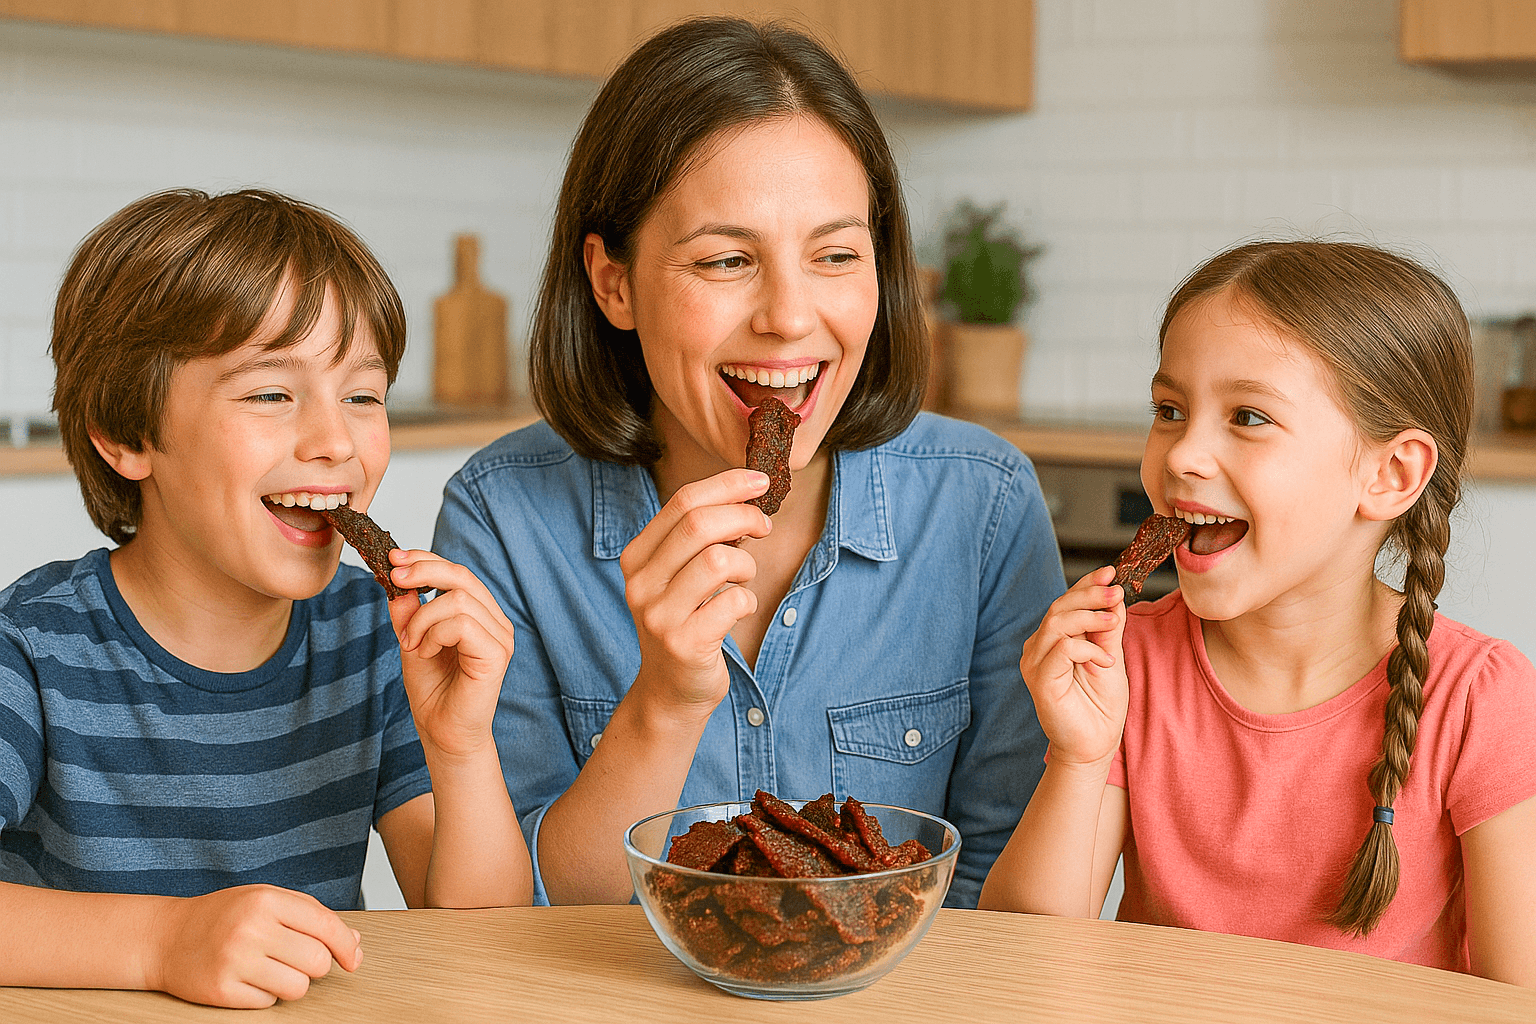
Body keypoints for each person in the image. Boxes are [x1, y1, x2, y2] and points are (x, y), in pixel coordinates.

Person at [432, 17, 1063, 909]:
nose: (789, 317)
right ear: (614, 282)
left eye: (836, 255)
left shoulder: (984, 504)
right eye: (728, 259)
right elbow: (525, 917)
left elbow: (999, 896)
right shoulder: (503, 519)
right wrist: (663, 703)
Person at [0, 188, 533, 1008]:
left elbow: (480, 935)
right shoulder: (34, 649)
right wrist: (161, 944)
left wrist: (461, 748)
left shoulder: (368, 634)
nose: (336, 441)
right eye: (271, 394)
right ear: (127, 433)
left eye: (363, 395)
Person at [979, 240, 1536, 985]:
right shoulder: (1130, 664)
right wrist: (1081, 757)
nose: (1181, 455)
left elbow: (1515, 994)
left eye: (1247, 416)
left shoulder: (1477, 698)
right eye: (1169, 410)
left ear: (1390, 474)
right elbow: (1019, 962)